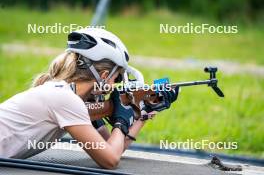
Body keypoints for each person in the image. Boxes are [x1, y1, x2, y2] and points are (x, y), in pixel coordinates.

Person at [0, 28, 178, 169]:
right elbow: (110, 159)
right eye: (117, 78)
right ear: (105, 75)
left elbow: (112, 146)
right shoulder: (64, 98)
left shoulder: (67, 95)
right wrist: (121, 120)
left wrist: (142, 113)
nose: (117, 84)